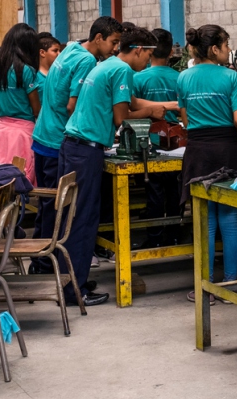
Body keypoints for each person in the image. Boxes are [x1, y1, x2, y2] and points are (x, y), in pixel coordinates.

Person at [60, 25, 169, 307]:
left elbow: (130, 101)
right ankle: (74, 290)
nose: (147, 62)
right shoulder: (122, 70)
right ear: (138, 50)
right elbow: (123, 117)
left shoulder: (107, 64)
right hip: (86, 150)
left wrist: (167, 105)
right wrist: (151, 113)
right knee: (83, 220)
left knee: (75, 218)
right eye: (148, 56)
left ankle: (74, 280)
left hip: (74, 146)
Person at [30, 17, 121, 276]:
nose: (114, 49)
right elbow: (72, 105)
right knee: (65, 212)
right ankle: (51, 270)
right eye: (113, 42)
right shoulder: (87, 61)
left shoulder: (71, 48)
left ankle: (42, 264)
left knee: (49, 209)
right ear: (99, 38)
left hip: (43, 135)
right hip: (59, 138)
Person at [178, 24, 237, 305]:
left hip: (197, 152)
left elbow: (184, 121)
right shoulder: (230, 77)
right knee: (229, 220)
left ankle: (203, 287)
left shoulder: (183, 77)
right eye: (226, 45)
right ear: (214, 49)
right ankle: (230, 284)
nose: (229, 50)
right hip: (227, 151)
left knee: (205, 223)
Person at [132, 28, 182, 239]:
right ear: (171, 52)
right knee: (175, 190)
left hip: (149, 141)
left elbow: (132, 110)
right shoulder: (180, 78)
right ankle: (174, 232)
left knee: (153, 190)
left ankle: (153, 234)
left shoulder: (137, 78)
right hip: (177, 143)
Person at [0, 23, 41, 184]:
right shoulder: (27, 71)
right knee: (20, 181)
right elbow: (36, 109)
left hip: (1, 131)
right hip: (23, 134)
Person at [36, 32, 61, 105]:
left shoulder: (61, 73)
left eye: (60, 51)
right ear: (42, 52)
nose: (59, 54)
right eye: (55, 51)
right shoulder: (34, 76)